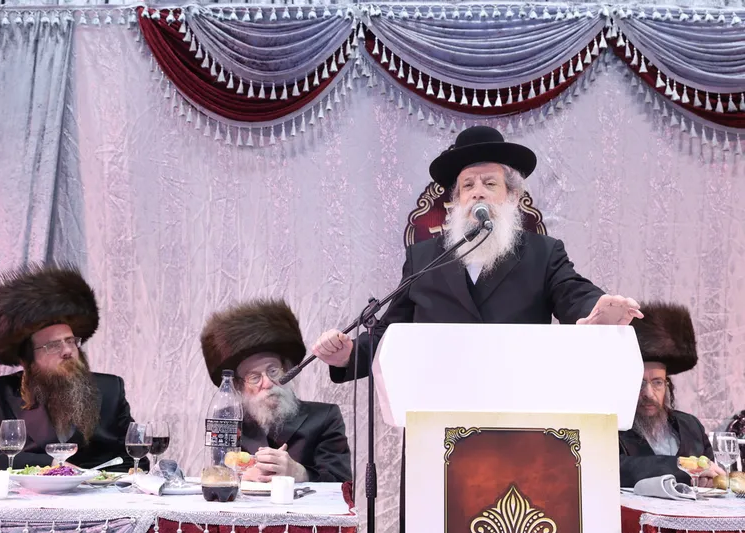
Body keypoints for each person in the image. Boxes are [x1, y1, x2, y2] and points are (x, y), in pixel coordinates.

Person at [311, 126, 644, 531]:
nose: (477, 193)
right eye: (467, 185)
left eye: (490, 183)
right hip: (438, 433)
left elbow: (573, 292)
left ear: (512, 197)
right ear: (454, 201)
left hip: (523, 431)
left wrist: (597, 310)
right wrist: (349, 354)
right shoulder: (425, 258)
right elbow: (390, 333)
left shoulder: (542, 253)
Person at [0, 263, 145, 473]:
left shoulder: (111, 389)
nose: (68, 351)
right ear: (27, 359)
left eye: (71, 341)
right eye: (53, 345)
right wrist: (51, 466)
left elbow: (136, 458)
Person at [201, 298, 351, 483]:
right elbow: (217, 474)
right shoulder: (227, 420)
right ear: (239, 386)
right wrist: (241, 476)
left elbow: (341, 483)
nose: (267, 383)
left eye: (273, 371)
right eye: (254, 377)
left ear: (286, 370)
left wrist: (299, 473)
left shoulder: (326, 417)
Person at [619, 301, 724, 487]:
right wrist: (682, 467)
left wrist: (708, 481)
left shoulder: (691, 426)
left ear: (667, 385)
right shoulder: (615, 429)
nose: (648, 393)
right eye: (640, 383)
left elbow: (709, 474)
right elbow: (618, 469)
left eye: (657, 382)